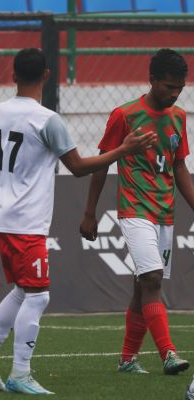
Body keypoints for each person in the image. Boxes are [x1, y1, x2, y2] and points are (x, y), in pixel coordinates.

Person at [0, 48, 158, 395]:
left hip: (4, 219)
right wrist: (124, 150)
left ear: (13, 76)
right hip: (26, 222)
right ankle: (20, 374)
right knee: (38, 296)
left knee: (23, 290)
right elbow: (78, 166)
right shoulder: (46, 120)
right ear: (46, 74)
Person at [80, 48, 192, 376]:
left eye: (179, 88)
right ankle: (168, 353)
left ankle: (127, 359)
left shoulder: (179, 117)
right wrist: (90, 212)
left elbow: (180, 166)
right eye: (169, 86)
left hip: (164, 214)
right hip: (134, 209)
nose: (174, 93)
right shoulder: (124, 114)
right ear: (152, 79)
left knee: (142, 286)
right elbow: (102, 164)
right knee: (153, 279)